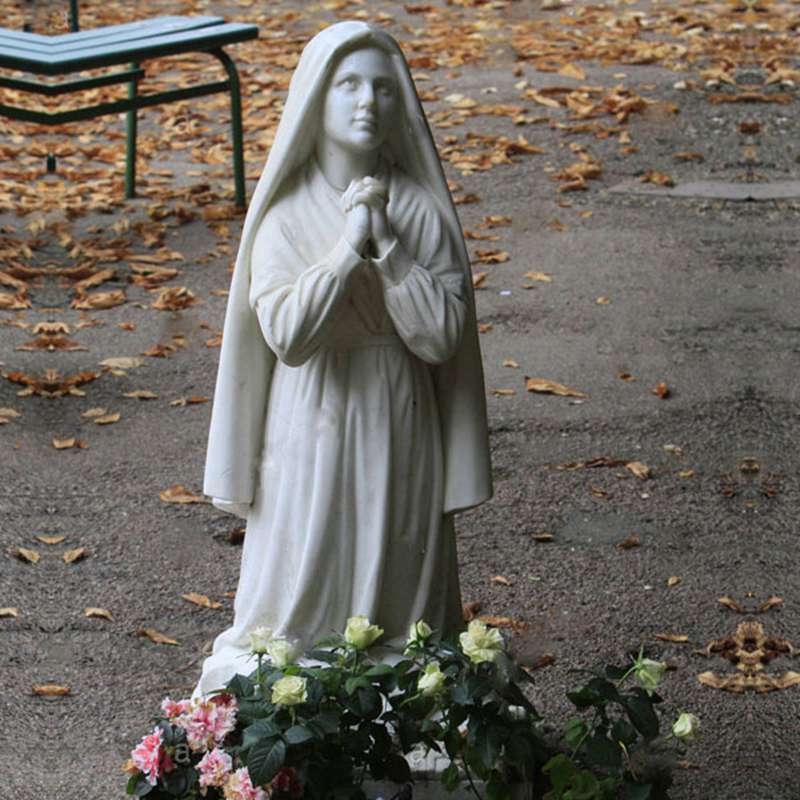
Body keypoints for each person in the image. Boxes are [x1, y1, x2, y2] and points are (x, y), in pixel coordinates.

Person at [195, 21, 492, 697]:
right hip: (311, 413)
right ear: (316, 100)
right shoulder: (287, 214)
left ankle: (402, 672)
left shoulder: (419, 211)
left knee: (397, 565)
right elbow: (290, 337)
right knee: (305, 566)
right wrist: (345, 248)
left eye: (385, 89)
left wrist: (388, 248)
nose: (369, 103)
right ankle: (293, 687)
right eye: (349, 85)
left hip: (399, 407)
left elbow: (441, 337)